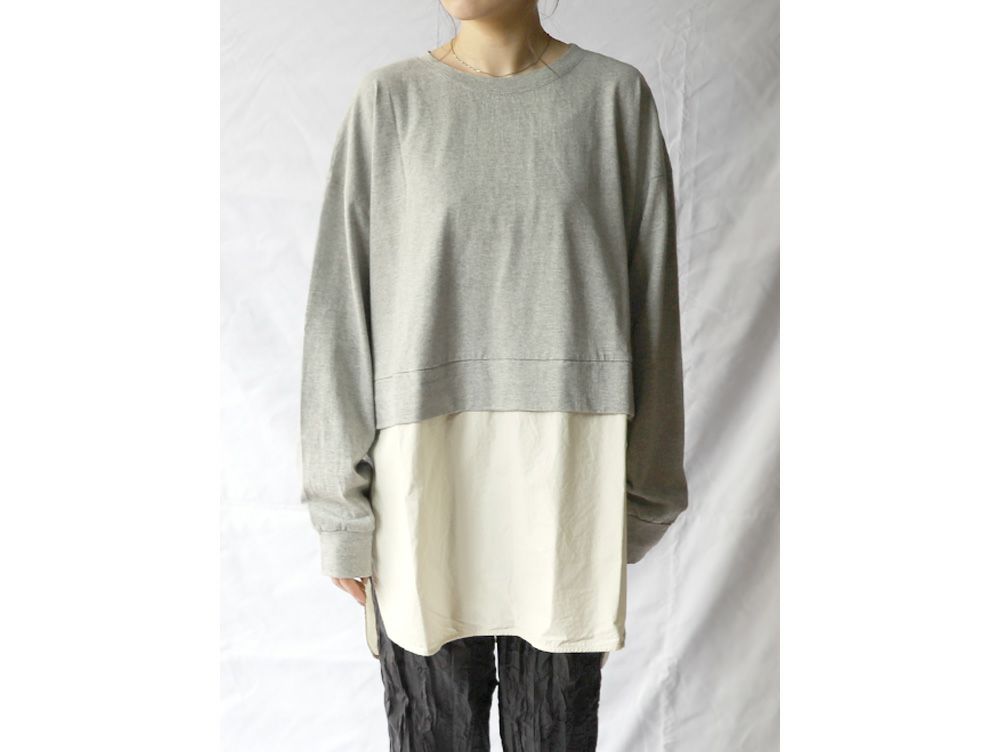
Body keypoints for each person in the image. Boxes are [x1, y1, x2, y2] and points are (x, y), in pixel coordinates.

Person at [299, 1, 688, 749]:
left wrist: (645, 495)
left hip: (568, 483)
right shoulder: (391, 102)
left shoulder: (613, 99)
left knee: (554, 732)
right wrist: (340, 512)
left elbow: (653, 316)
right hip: (424, 484)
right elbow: (340, 314)